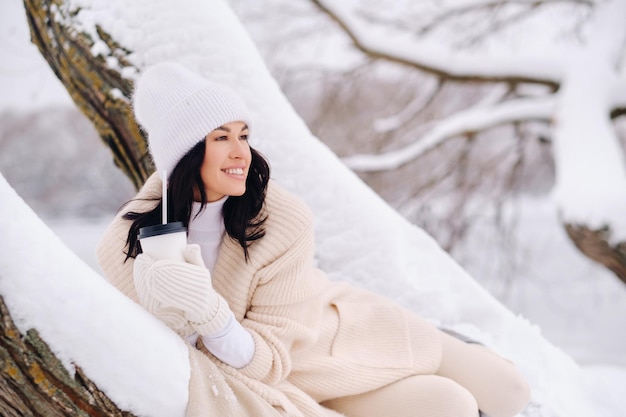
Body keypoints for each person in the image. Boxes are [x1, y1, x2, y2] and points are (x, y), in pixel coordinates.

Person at [96, 62, 530, 417]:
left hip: (328, 329)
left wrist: (212, 314)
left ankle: (452, 340)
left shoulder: (282, 218)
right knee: (450, 406)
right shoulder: (128, 246)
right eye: (221, 138)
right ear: (185, 153)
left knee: (509, 392)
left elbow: (261, 340)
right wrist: (188, 316)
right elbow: (184, 360)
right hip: (279, 374)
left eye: (244, 135)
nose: (240, 152)